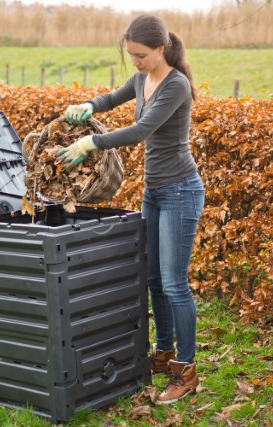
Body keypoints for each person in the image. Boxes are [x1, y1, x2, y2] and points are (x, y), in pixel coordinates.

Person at [58, 14, 204, 405]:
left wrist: (92, 142)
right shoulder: (142, 79)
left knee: (174, 283)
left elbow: (142, 131)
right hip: (155, 193)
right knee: (154, 279)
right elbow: (111, 98)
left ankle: (186, 371)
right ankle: (164, 353)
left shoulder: (177, 86)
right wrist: (87, 105)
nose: (135, 62)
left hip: (181, 191)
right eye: (131, 56)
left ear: (161, 49)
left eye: (141, 55)